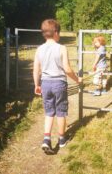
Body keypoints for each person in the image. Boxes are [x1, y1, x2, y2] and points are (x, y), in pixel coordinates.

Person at [33, 19, 81, 154]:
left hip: (45, 84)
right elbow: (67, 69)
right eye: (59, 32)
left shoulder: (39, 49)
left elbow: (36, 70)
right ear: (55, 33)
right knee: (60, 112)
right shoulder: (62, 48)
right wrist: (77, 80)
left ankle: (46, 139)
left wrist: (37, 84)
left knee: (49, 112)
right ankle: (61, 140)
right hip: (59, 84)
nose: (59, 34)